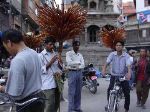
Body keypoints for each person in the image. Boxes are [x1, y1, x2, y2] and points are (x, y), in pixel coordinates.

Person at [0, 29, 45, 112]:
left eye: (5, 47)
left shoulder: (18, 60)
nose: (7, 51)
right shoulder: (34, 53)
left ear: (9, 43)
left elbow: (15, 93)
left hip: (27, 105)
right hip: (39, 99)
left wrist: (2, 88)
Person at [102, 41, 131, 112]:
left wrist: (129, 73)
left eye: (120, 45)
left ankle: (126, 108)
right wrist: (103, 70)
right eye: (117, 45)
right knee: (110, 89)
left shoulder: (126, 55)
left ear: (122, 47)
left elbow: (128, 65)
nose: (118, 46)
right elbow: (107, 62)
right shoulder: (112, 54)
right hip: (114, 76)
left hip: (122, 76)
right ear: (115, 47)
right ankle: (109, 103)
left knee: (127, 92)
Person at [38, 37, 62, 112]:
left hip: (57, 82)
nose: (52, 46)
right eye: (50, 44)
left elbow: (60, 68)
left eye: (53, 44)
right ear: (45, 45)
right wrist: (51, 62)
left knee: (57, 103)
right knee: (49, 105)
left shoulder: (54, 53)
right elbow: (40, 70)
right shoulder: (40, 56)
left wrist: (60, 62)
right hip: (47, 84)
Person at [66, 40, 85, 112]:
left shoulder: (80, 55)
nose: (77, 47)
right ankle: (70, 109)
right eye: (76, 45)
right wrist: (78, 63)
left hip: (79, 73)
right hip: (72, 73)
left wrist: (77, 65)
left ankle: (77, 108)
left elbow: (83, 65)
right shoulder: (69, 53)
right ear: (73, 46)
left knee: (78, 92)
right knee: (72, 92)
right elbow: (69, 62)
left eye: (78, 45)